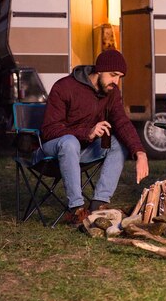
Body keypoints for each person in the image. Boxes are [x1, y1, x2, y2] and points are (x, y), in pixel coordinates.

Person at [37, 49, 149, 225]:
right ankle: (77, 210)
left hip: (83, 150)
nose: (116, 81)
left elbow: (122, 123)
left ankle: (98, 205)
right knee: (69, 142)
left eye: (119, 77)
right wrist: (87, 132)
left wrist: (140, 152)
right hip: (53, 150)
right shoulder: (64, 87)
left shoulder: (112, 92)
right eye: (113, 75)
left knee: (118, 143)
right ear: (99, 70)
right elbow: (49, 130)